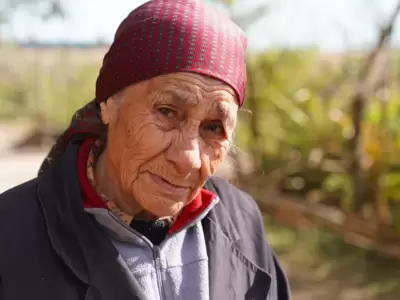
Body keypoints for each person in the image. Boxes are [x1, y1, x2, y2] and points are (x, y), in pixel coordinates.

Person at [0, 0, 290, 299]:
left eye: (214, 128)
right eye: (166, 111)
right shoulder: (11, 234)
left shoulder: (241, 220)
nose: (188, 158)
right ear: (109, 104)